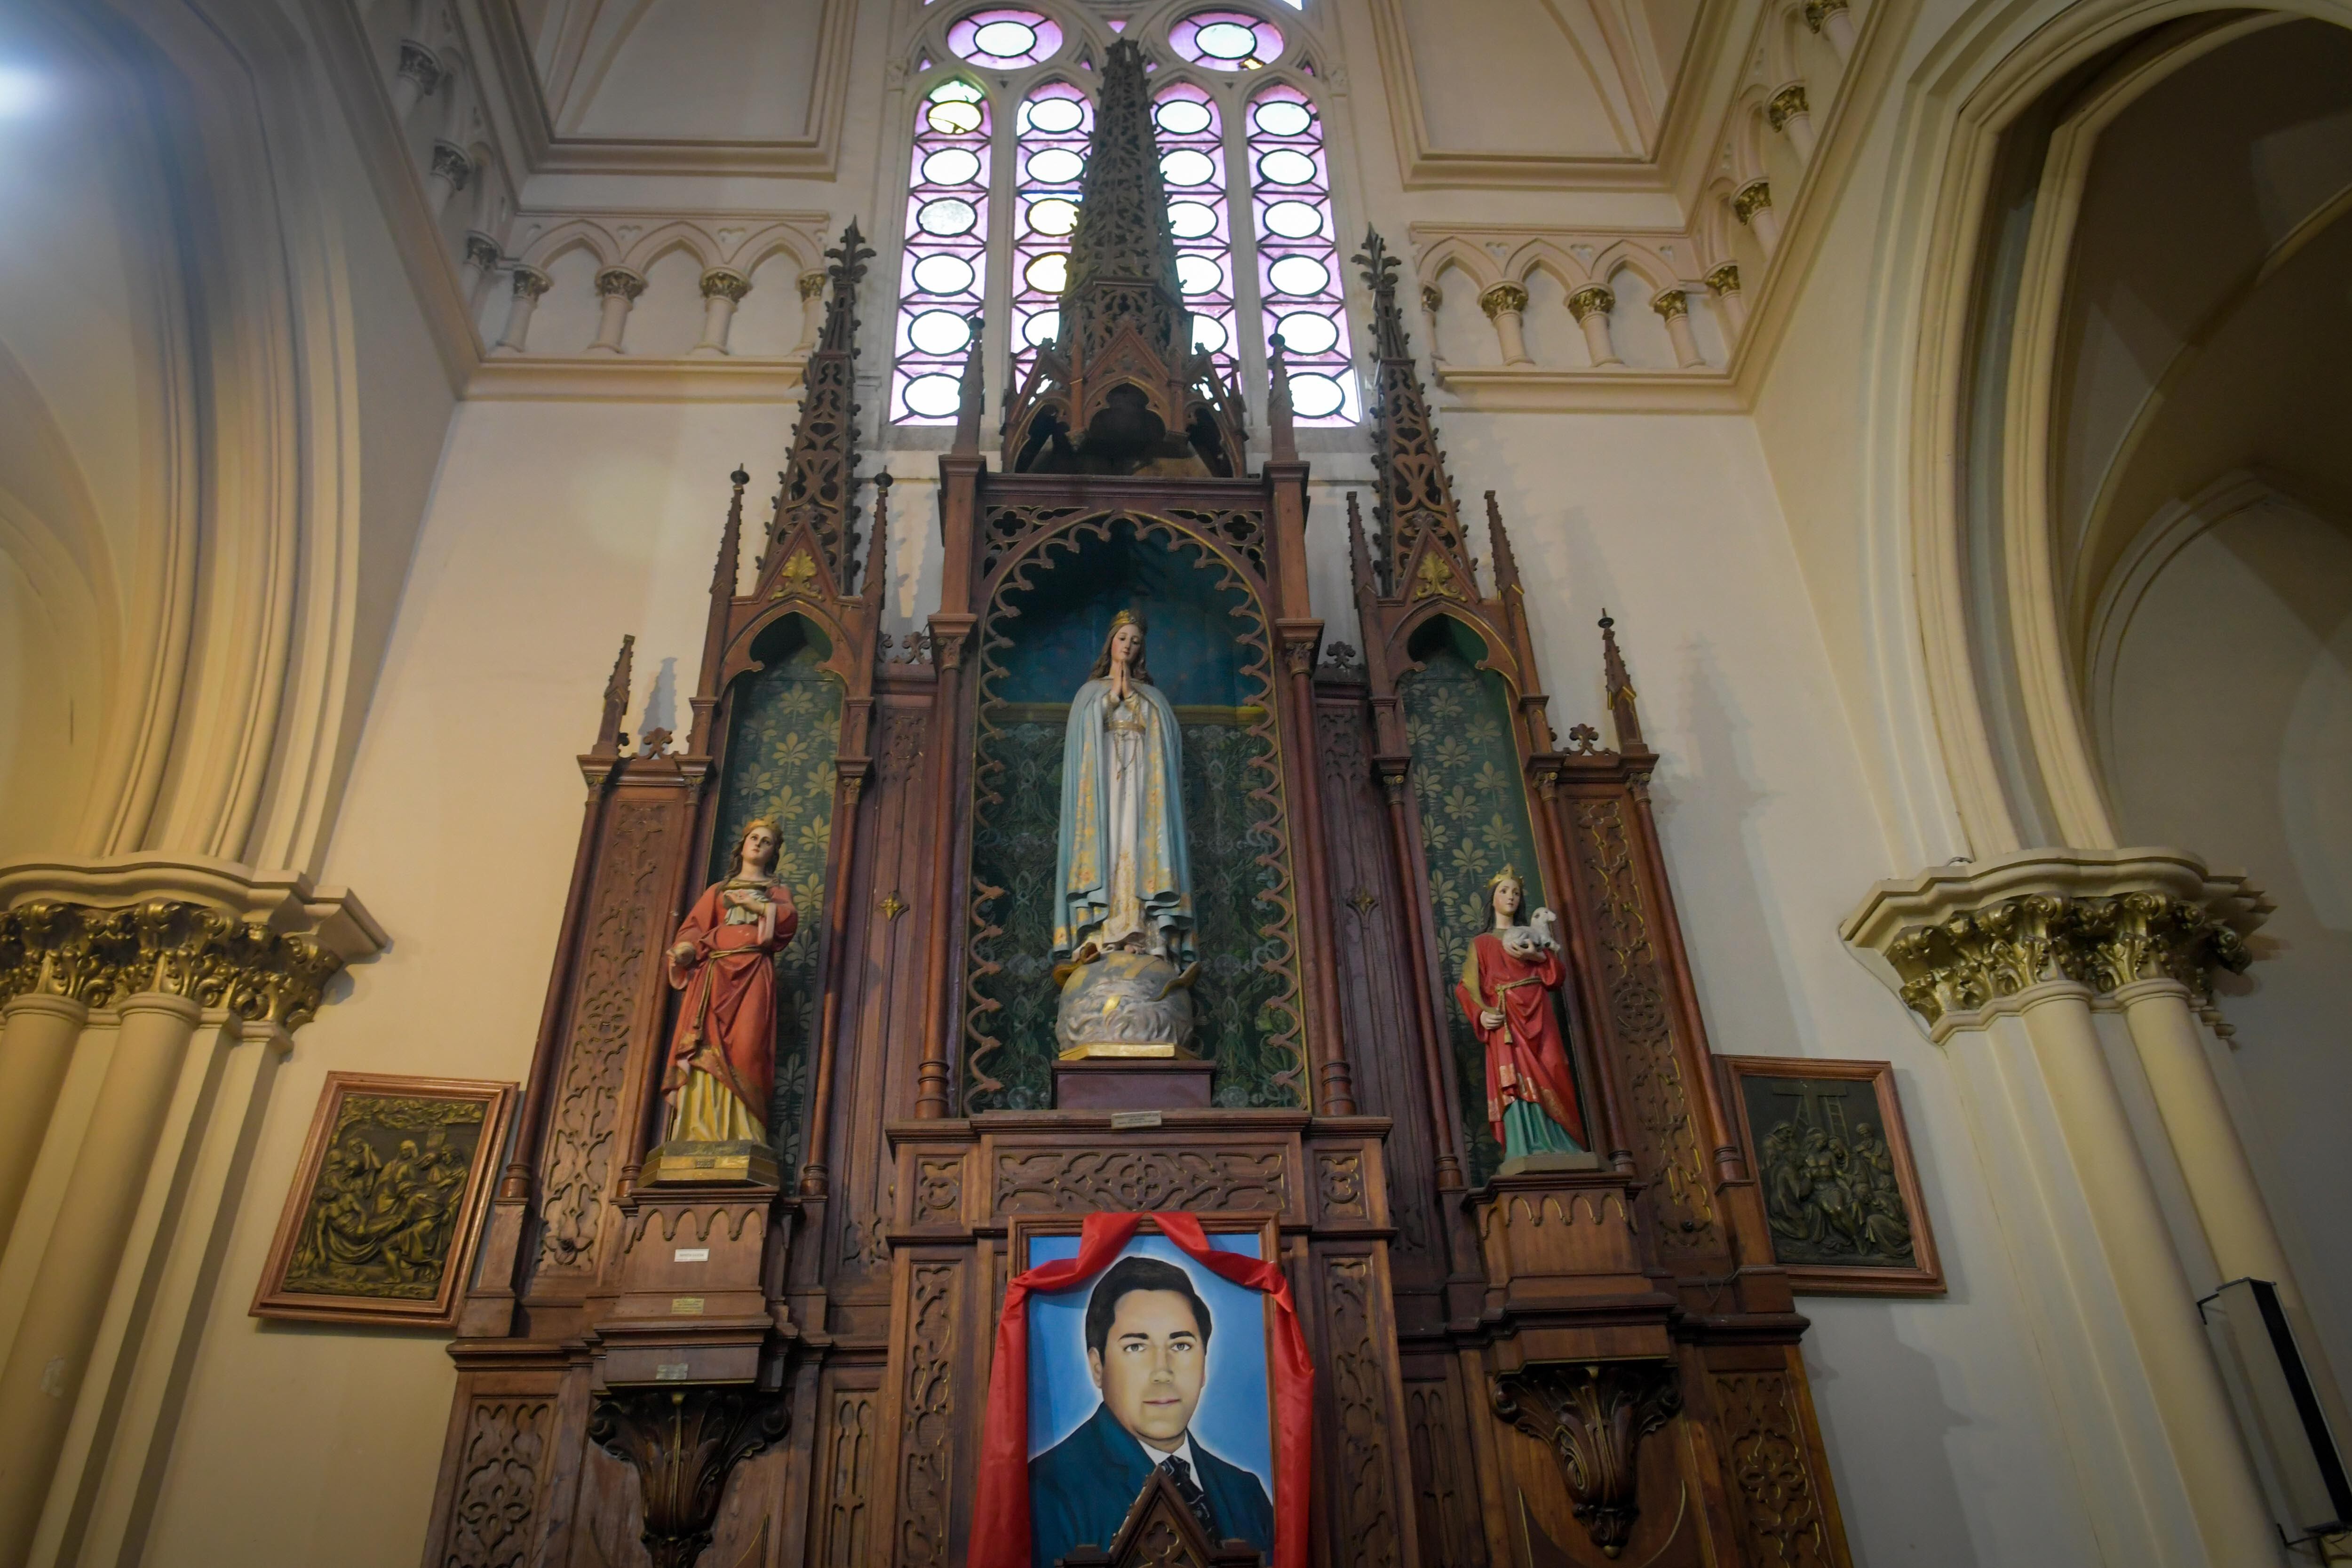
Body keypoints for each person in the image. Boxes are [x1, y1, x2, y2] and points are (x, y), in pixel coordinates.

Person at [1029, 1257, 1273, 1568]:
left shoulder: (1245, 1493)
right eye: (1136, 1347)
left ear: (1204, 1365)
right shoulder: (1048, 1491)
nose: (1163, 1372)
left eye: (1182, 1345)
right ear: (1097, 1367)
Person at [1053, 611, 1194, 965]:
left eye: (1135, 641)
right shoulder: (1090, 693)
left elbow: (1168, 738)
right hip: (1102, 787)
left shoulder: (1151, 696)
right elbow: (1080, 743)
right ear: (1111, 642)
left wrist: (1132, 696)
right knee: (1109, 846)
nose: (1128, 646)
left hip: (1143, 786)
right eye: (1122, 638)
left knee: (1137, 843)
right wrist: (1111, 697)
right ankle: (1099, 934)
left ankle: (1145, 933)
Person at [662, 818, 799, 1142]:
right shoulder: (718, 891)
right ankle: (697, 1132)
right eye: (754, 837)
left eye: (767, 842)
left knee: (748, 1048)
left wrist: (756, 905)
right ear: (743, 843)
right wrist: (684, 950)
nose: (758, 844)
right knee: (703, 1047)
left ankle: (743, 1133)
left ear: (774, 852)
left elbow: (787, 919)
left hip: (753, 976)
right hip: (714, 976)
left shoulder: (776, 891)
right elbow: (694, 929)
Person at [1456, 866, 1589, 1163]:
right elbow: (1467, 987)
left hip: (1540, 1014)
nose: (1511, 897)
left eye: (1516, 892)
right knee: (1515, 1078)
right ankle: (1523, 1148)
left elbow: (1555, 978)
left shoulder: (1533, 937)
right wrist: (1481, 1015)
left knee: (1554, 1066)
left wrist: (1539, 957)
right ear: (1492, 899)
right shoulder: (1482, 944)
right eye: (1504, 891)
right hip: (1506, 1019)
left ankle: (1563, 1143)